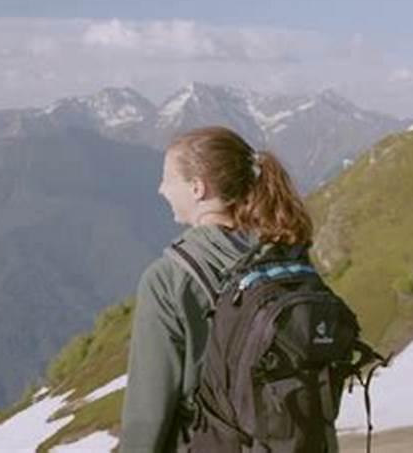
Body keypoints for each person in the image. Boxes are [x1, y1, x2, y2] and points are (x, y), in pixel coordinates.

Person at [119, 126, 312, 452]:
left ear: (197, 188)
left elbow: (147, 413)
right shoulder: (288, 259)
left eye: (167, 178)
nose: (160, 189)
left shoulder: (168, 279)